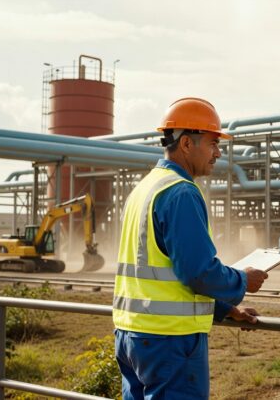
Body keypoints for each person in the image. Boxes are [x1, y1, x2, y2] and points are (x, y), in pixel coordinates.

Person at [113, 97, 269, 399]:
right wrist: (242, 280)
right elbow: (197, 272)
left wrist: (226, 309)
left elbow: (164, 274)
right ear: (186, 143)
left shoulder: (145, 188)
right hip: (169, 341)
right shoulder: (180, 192)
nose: (218, 153)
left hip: (131, 336)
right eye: (212, 143)